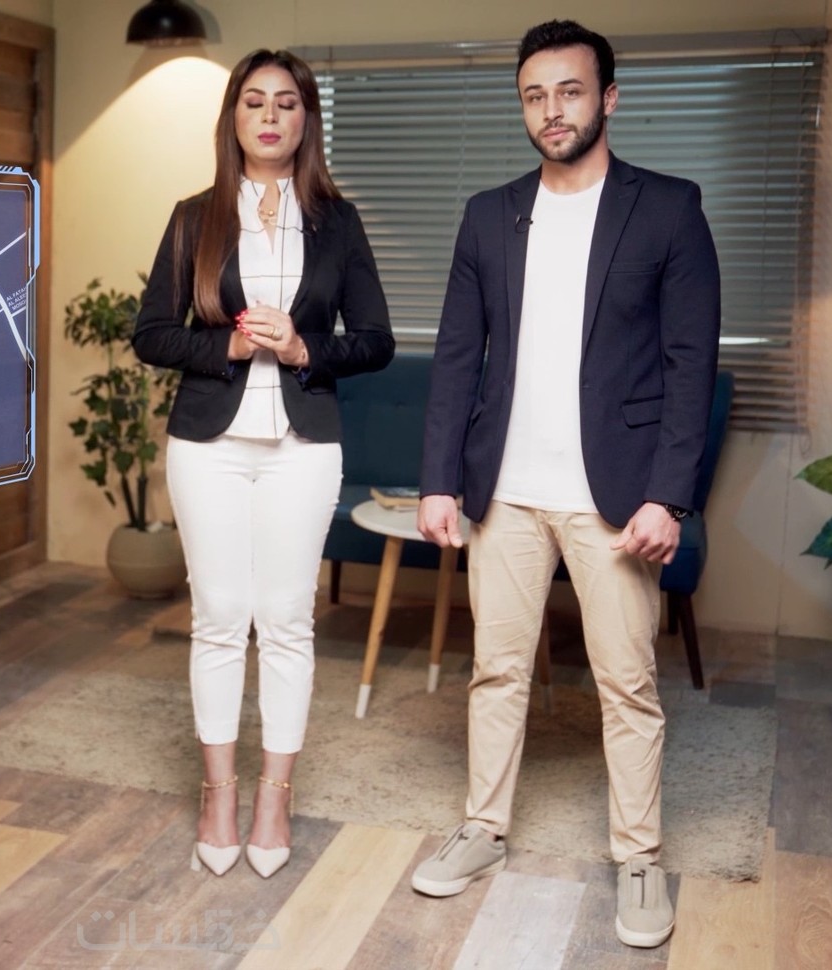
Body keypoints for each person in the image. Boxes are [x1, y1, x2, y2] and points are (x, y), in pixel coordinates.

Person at [410, 20, 720, 949]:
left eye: (571, 91)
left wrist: (669, 495)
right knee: (496, 670)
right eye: (535, 95)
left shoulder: (668, 209)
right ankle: (482, 828)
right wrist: (437, 482)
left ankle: (639, 858)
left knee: (627, 684)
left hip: (614, 498)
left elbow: (690, 364)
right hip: (503, 492)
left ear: (608, 98)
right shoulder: (488, 214)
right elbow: (456, 360)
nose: (553, 110)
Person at [133, 48, 394, 880]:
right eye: (254, 102)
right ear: (234, 118)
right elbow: (151, 334)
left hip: (302, 445)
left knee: (284, 619)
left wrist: (306, 347)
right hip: (207, 444)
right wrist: (231, 346)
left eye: (286, 102)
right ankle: (219, 794)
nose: (270, 116)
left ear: (306, 118)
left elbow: (377, 340)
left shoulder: (339, 223)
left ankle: (274, 798)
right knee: (219, 615)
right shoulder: (194, 217)